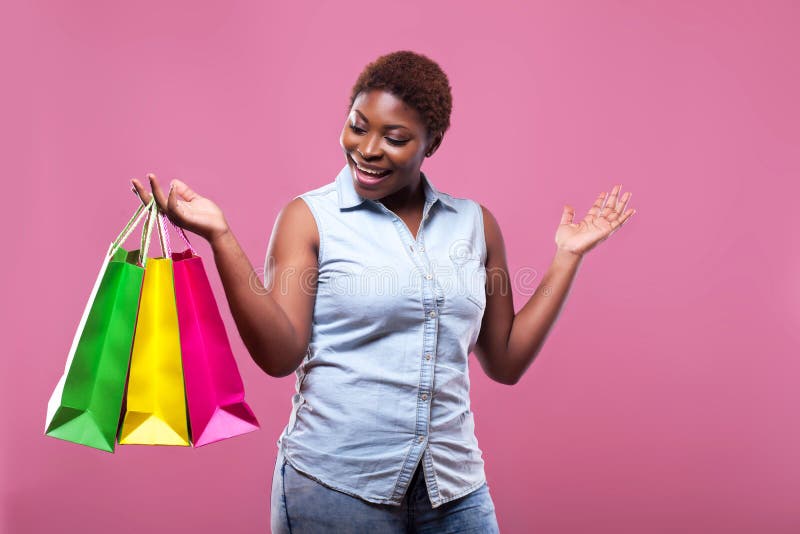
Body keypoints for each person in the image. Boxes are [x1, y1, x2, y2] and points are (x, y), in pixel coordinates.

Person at [132, 50, 635, 533]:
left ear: (431, 143)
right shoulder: (310, 219)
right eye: (357, 125)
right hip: (335, 489)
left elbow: (505, 361)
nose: (368, 149)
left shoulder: (475, 225)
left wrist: (567, 257)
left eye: (394, 137)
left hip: (454, 491)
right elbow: (280, 354)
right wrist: (221, 237)